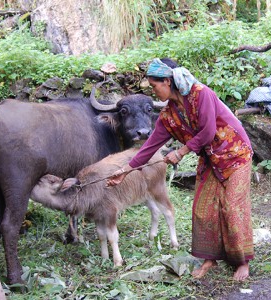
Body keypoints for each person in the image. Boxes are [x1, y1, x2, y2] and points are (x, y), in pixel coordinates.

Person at [107, 58, 254, 281]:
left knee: (231, 207)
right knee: (202, 209)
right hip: (211, 159)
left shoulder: (201, 94)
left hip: (236, 153)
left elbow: (207, 131)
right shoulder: (169, 115)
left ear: (167, 81)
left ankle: (242, 262)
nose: (154, 92)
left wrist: (181, 152)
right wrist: (125, 170)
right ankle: (210, 259)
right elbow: (149, 147)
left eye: (155, 86)